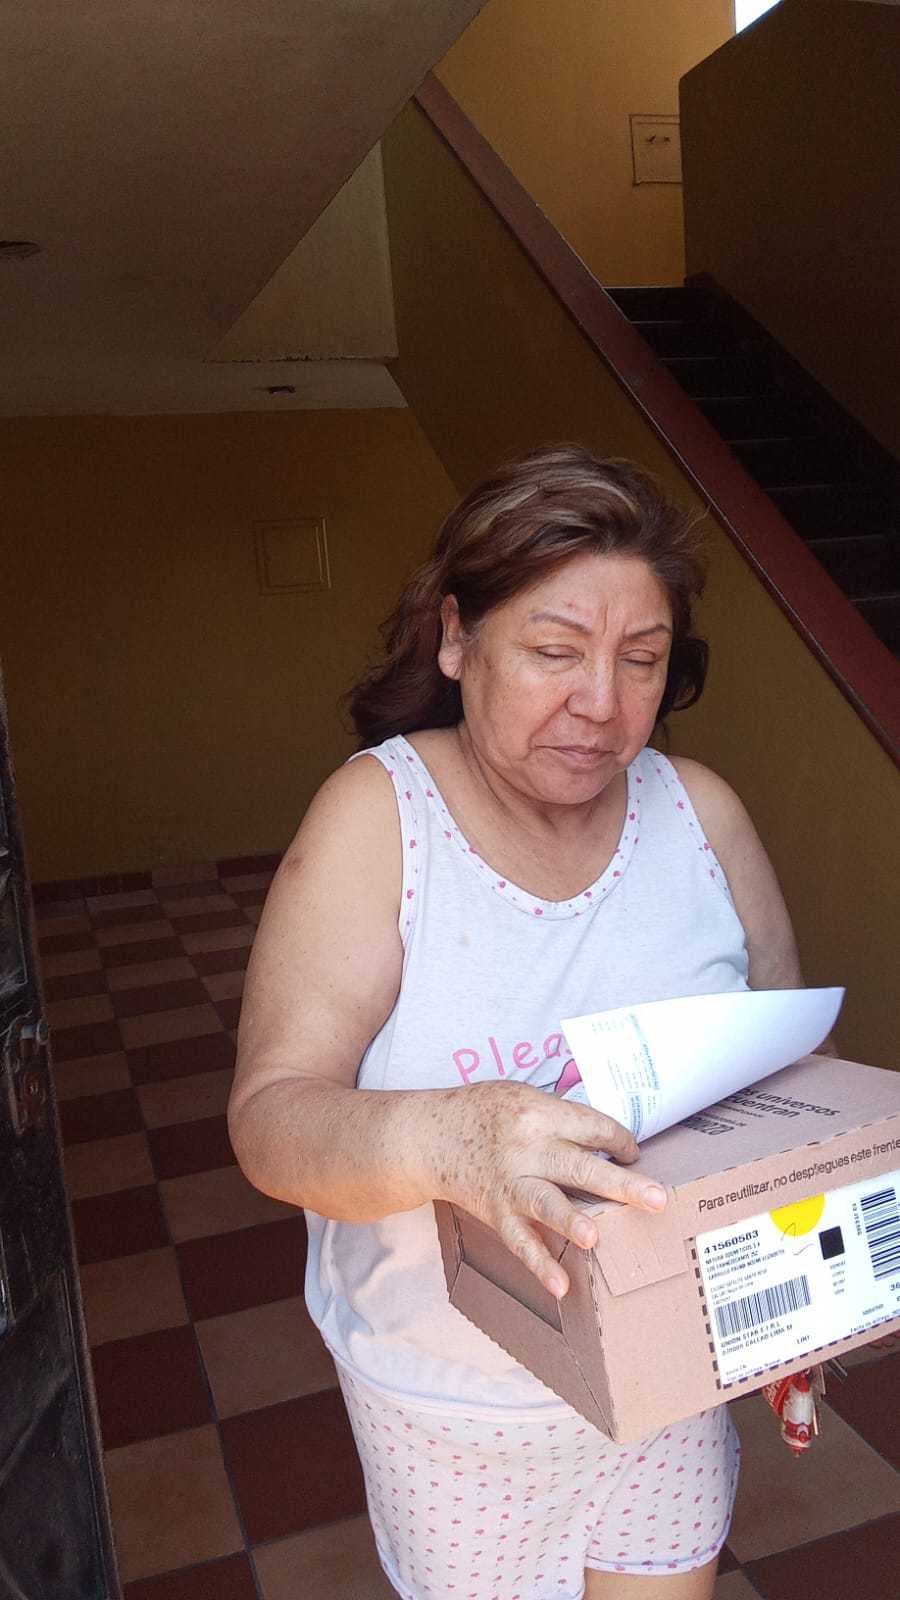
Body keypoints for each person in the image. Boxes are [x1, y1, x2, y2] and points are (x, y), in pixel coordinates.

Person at [229, 446, 809, 1600]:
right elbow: (271, 1119)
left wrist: (800, 1283)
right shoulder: (378, 818)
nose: (601, 703)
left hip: (664, 1380)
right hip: (453, 1405)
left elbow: (793, 1078)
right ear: (456, 638)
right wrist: (452, 1139)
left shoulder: (702, 815)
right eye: (554, 651)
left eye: (641, 660)